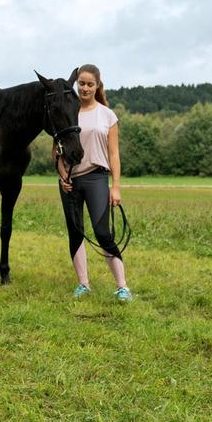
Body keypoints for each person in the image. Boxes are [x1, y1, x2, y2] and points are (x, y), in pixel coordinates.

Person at [55, 63, 132, 302]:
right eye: (81, 83)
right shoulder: (69, 111)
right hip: (70, 182)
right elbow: (57, 151)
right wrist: (61, 176)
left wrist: (116, 186)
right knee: (75, 232)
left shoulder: (107, 115)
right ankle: (83, 284)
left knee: (102, 233)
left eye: (90, 84)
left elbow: (114, 154)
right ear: (76, 84)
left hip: (97, 177)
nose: (85, 88)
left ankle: (122, 286)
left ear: (97, 85)